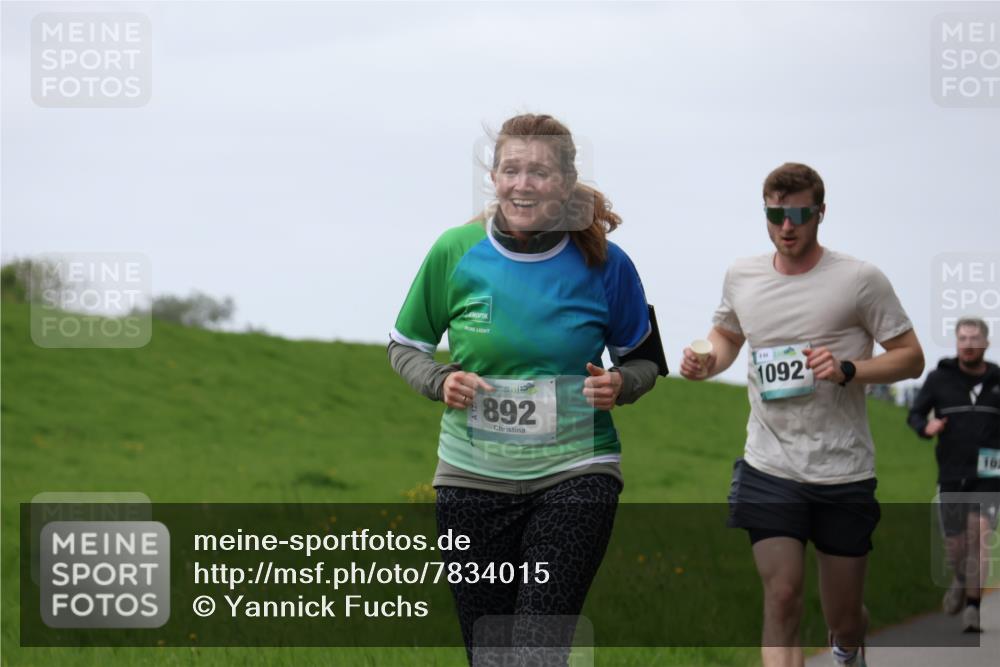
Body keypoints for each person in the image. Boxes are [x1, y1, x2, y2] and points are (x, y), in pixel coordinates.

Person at [388, 113, 667, 665]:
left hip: (576, 473)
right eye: (511, 170)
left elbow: (646, 361)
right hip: (470, 478)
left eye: (538, 172)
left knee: (539, 647)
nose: (522, 184)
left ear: (565, 183)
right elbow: (405, 346)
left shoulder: (606, 263)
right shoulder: (455, 251)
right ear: (493, 177)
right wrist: (440, 380)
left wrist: (620, 383)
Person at [680, 162, 924, 667]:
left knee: (845, 616)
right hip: (769, 464)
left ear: (820, 213)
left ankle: (847, 647)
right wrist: (708, 361)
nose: (786, 227)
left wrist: (848, 369)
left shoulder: (859, 280)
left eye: (798, 215)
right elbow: (727, 335)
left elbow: (911, 357)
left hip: (842, 469)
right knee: (783, 595)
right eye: (776, 215)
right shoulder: (742, 275)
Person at [907, 316, 1000, 633]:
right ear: (957, 342)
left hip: (989, 475)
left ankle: (973, 608)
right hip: (951, 472)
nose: (968, 344)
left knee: (980, 535)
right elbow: (915, 414)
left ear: (986, 343)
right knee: (956, 546)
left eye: (974, 339)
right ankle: (960, 579)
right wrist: (926, 427)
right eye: (963, 339)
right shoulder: (939, 379)